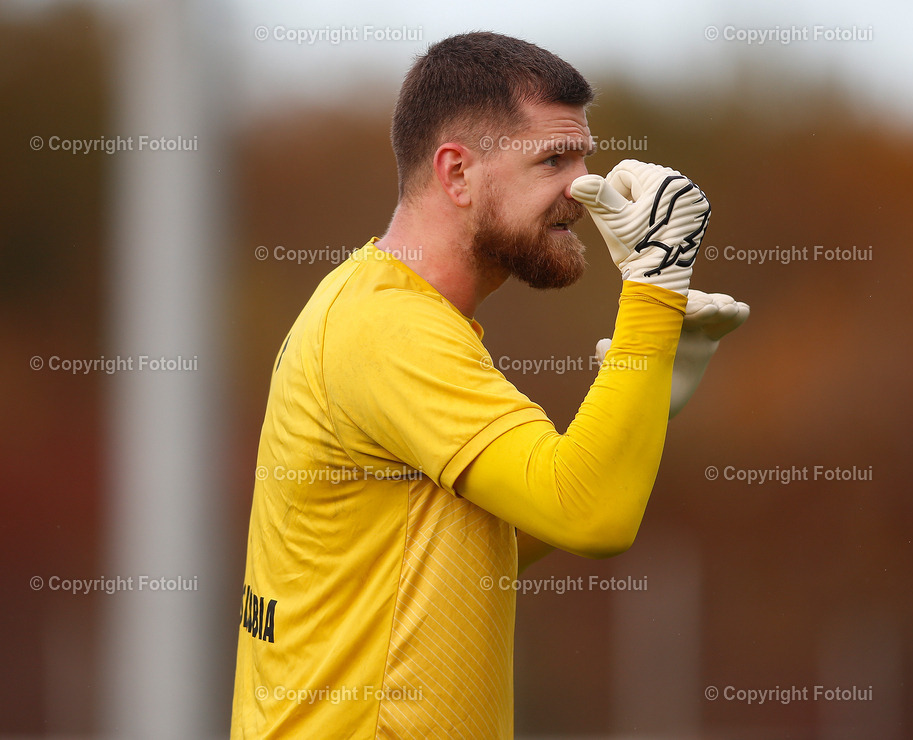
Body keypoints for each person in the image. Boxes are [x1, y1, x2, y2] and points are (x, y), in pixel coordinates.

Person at [230, 31, 748, 738]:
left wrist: (649, 394)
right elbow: (589, 516)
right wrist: (653, 287)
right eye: (553, 160)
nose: (583, 188)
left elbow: (501, 531)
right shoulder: (392, 330)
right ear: (457, 173)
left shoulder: (390, 311)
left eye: (584, 157)